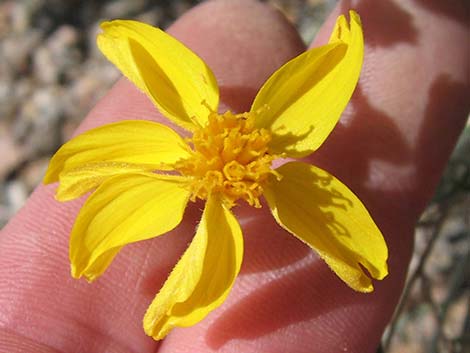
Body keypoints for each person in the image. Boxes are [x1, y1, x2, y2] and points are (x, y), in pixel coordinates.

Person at [0, 0, 468, 352]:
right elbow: (125, 54)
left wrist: (344, 50)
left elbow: (334, 68)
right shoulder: (201, 170)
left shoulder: (279, 165)